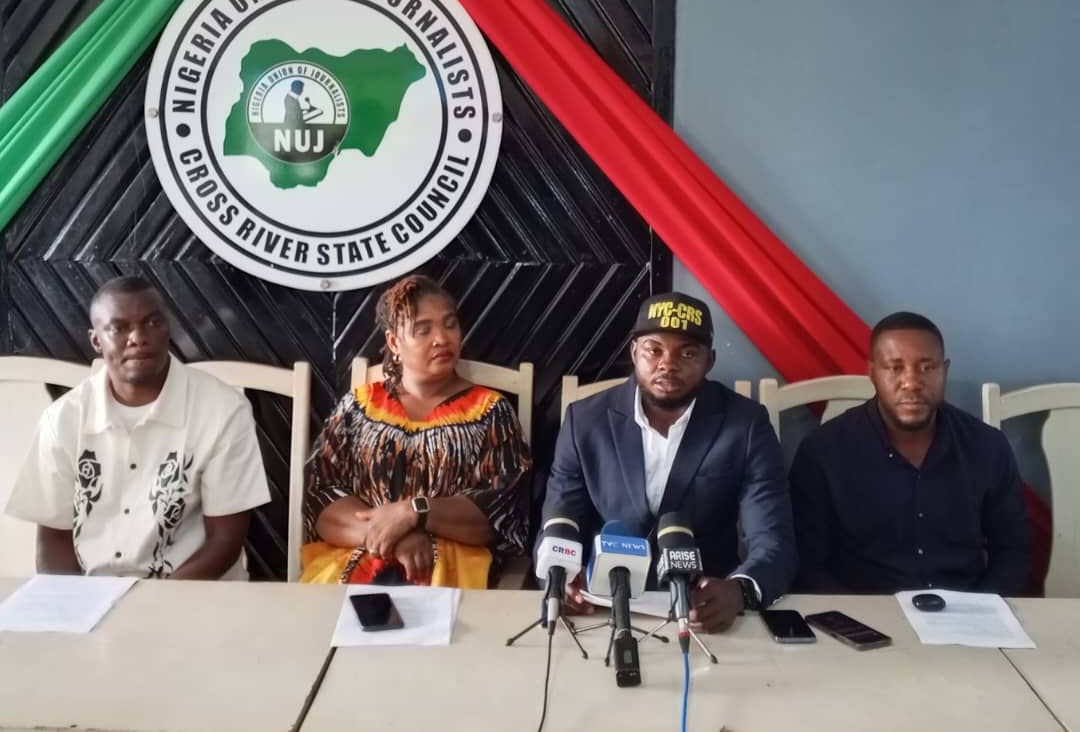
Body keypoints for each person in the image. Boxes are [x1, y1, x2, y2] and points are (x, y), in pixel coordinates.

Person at [541, 292, 796, 632]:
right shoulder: (584, 421)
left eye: (687, 353)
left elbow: (773, 538)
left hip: (704, 611)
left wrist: (740, 591)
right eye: (654, 350)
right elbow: (559, 520)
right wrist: (560, 579)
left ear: (710, 361)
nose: (668, 364)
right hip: (601, 609)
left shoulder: (746, 425)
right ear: (634, 352)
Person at [4, 276, 270, 579]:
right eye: (118, 328)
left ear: (168, 329)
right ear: (96, 340)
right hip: (92, 594)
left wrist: (152, 604)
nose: (138, 338)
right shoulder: (63, 418)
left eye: (153, 323)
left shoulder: (223, 410)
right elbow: (54, 539)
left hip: (193, 594)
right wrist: (72, 602)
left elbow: (224, 543)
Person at [301, 274, 531, 587]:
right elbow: (320, 496)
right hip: (353, 562)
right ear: (394, 342)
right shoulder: (359, 406)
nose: (442, 338)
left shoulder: (490, 411)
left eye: (450, 324)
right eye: (423, 330)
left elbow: (502, 512)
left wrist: (416, 512)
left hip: (453, 573)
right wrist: (388, 536)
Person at [789, 312, 1031, 595]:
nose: (912, 382)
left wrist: (983, 607)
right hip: (863, 611)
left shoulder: (987, 447)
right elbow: (806, 564)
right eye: (895, 368)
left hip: (968, 609)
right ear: (872, 373)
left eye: (927, 368)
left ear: (945, 371)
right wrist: (856, 616)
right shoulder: (824, 452)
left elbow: (1013, 550)